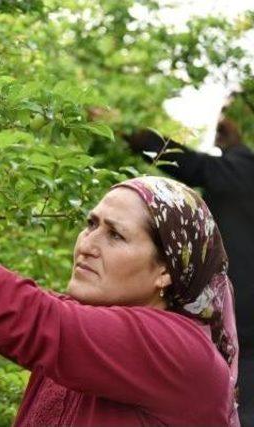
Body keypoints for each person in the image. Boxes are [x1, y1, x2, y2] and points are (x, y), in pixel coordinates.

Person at [0, 129, 239, 425]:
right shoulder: (92, 324)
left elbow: (28, 318)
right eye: (91, 224)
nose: (87, 244)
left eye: (115, 234)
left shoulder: (179, 351)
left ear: (165, 272)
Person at [126, 117, 254, 424]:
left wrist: (132, 134)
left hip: (235, 322)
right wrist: (236, 147)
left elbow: (186, 164)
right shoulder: (240, 171)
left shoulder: (240, 173)